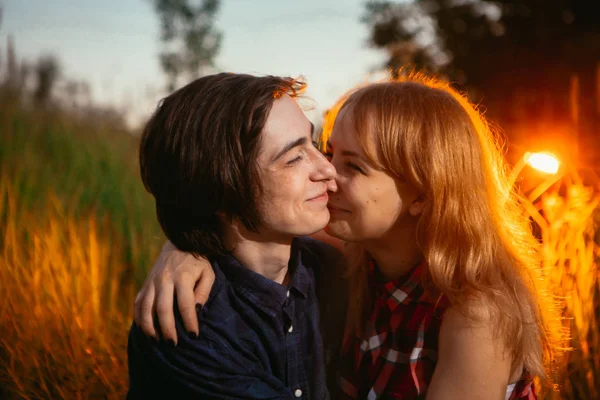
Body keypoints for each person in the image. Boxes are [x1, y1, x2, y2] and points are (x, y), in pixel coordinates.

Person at [134, 72, 564, 399]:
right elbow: (223, 229)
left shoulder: (471, 313)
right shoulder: (348, 266)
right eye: (323, 153)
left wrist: (190, 243)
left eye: (353, 166)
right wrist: (186, 246)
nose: (327, 174)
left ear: (423, 195)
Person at [127, 72, 344, 400]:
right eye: (293, 158)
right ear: (221, 194)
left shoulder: (331, 271)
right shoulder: (192, 327)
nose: (327, 169)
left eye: (312, 144)